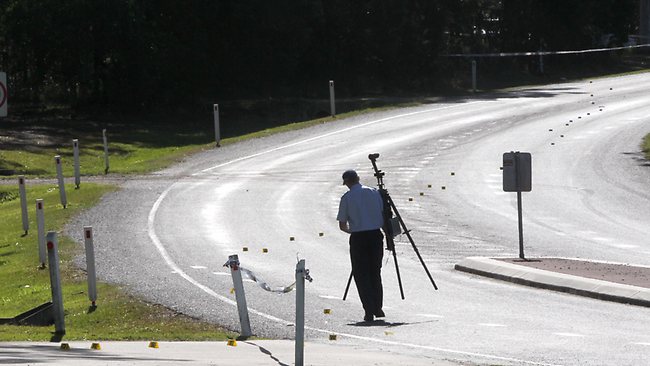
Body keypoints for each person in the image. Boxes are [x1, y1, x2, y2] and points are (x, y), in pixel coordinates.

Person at [337, 169, 386, 322]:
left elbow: (342, 224)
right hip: (376, 235)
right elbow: (384, 214)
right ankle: (378, 307)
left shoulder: (347, 198)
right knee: (375, 272)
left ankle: (369, 310)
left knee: (361, 274)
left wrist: (353, 230)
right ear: (358, 178)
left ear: (347, 183)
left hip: (359, 237)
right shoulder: (374, 192)